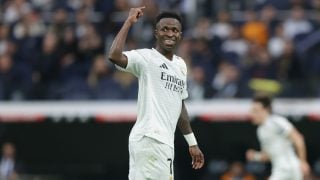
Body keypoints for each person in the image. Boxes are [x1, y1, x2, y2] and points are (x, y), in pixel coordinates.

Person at [108, 6, 204, 180]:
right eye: (165, 29)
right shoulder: (146, 58)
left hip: (163, 143)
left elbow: (179, 105)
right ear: (156, 33)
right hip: (151, 139)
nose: (169, 34)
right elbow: (114, 55)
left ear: (180, 35)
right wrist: (129, 22)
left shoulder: (181, 65)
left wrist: (192, 143)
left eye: (174, 30)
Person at [246, 95, 310, 180]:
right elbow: (268, 156)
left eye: (255, 111)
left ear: (266, 110)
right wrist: (255, 156)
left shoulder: (276, 122)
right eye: (252, 111)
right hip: (279, 170)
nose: (252, 114)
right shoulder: (261, 131)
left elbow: (298, 138)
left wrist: (303, 162)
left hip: (291, 168)